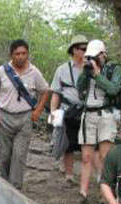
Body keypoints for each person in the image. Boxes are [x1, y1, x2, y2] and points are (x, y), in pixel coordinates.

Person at [0, 39, 49, 190]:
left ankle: (15, 191)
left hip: (25, 119)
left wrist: (38, 110)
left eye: (24, 53)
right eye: (17, 54)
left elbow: (46, 90)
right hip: (5, 118)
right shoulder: (2, 71)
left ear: (28, 54)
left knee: (19, 156)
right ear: (11, 54)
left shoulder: (34, 72)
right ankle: (4, 187)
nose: (21, 57)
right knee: (5, 157)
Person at [76, 39, 121, 204]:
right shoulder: (88, 68)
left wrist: (97, 75)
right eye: (90, 57)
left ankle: (106, 195)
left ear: (103, 55)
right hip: (88, 113)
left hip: (106, 114)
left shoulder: (114, 69)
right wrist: (85, 72)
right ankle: (83, 193)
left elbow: (113, 89)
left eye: (95, 57)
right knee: (86, 156)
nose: (93, 60)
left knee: (105, 156)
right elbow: (79, 87)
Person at [49, 35, 88, 184]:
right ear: (74, 50)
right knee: (68, 144)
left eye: (86, 48)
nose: (85, 51)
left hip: (87, 111)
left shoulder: (93, 68)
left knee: (88, 145)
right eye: (82, 48)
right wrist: (53, 112)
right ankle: (69, 175)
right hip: (68, 110)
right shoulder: (62, 70)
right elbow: (56, 93)